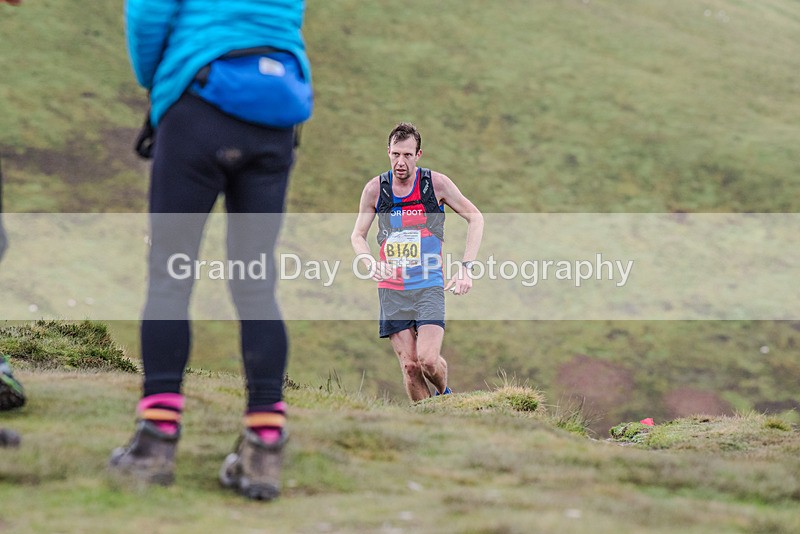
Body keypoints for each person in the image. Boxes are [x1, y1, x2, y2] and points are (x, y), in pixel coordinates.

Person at [109, 0, 313, 501]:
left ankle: (156, 441)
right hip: (276, 107)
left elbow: (148, 13)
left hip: (199, 99)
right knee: (255, 281)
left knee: (170, 274)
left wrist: (163, 80)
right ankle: (264, 449)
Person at [351, 123, 484, 401]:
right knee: (410, 367)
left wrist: (466, 269)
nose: (401, 162)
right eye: (396, 154)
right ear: (388, 152)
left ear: (418, 154)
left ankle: (446, 396)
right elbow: (358, 235)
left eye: (408, 155)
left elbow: (475, 217)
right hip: (392, 288)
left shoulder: (435, 185)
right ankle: (434, 421)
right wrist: (368, 261)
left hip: (428, 284)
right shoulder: (376, 190)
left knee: (427, 360)